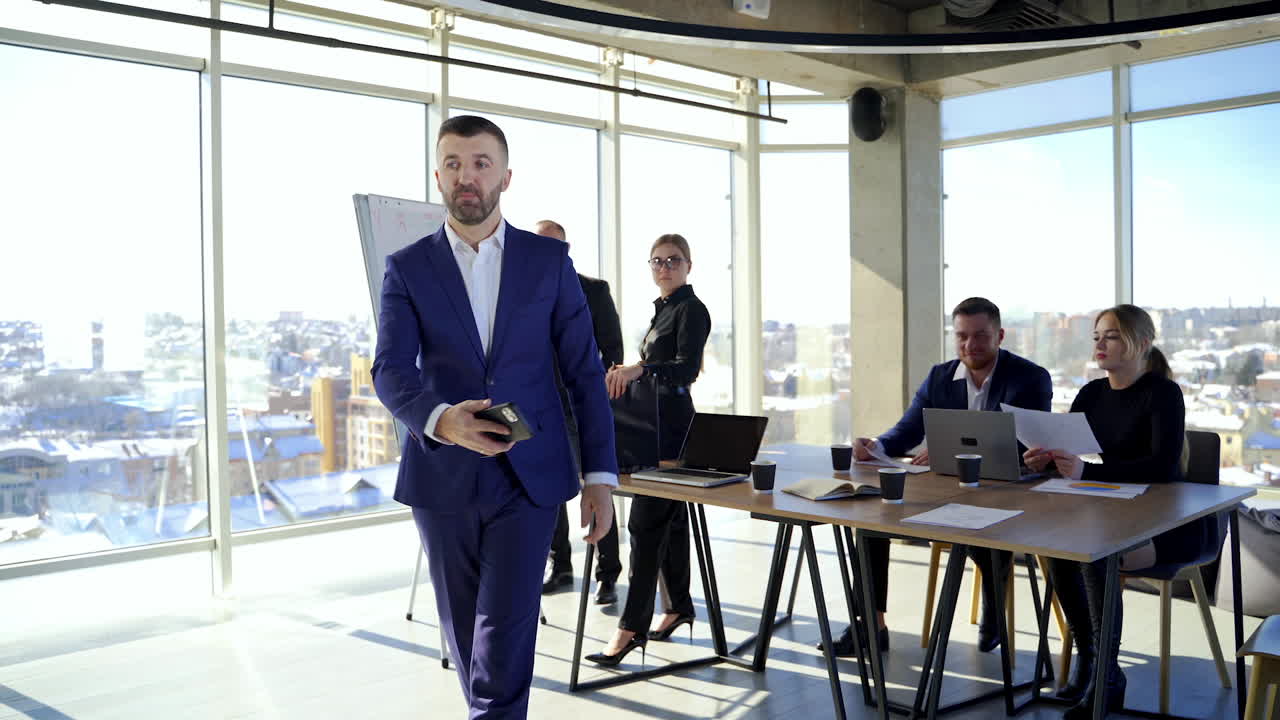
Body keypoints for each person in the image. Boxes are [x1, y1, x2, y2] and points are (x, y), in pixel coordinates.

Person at [372, 115, 617, 719]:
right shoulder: (407, 267)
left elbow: (585, 372)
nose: (467, 176)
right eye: (453, 163)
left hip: (528, 478)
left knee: (505, 632)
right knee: (464, 635)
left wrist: (600, 478)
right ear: (438, 176)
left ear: (506, 176)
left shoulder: (548, 262)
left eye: (480, 162)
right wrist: (439, 419)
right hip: (442, 476)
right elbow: (390, 368)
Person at [831, 297, 1052, 658]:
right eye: (962, 336)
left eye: (981, 336)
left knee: (982, 526)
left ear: (1000, 335)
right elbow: (906, 431)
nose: (970, 346)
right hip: (947, 486)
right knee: (871, 521)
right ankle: (869, 625)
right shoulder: (940, 376)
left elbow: (1024, 443)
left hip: (1007, 489)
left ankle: (994, 606)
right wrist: (876, 444)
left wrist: (954, 452)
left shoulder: (1029, 377)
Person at [1025, 304, 1212, 720]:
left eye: (1110, 336)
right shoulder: (1091, 393)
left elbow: (1163, 467)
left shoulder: (1162, 393)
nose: (1099, 344)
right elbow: (1071, 449)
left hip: (1167, 524)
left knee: (1098, 551)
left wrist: (1088, 471)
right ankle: (1091, 660)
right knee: (1059, 547)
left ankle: (1107, 676)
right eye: (1096, 337)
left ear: (1142, 343)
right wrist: (1045, 459)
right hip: (1108, 510)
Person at [585, 233, 711, 667]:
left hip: (675, 432)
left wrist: (641, 367)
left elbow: (687, 370)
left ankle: (631, 628)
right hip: (657, 430)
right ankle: (678, 606)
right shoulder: (665, 310)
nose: (664, 267)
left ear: (689, 265)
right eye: (657, 261)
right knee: (669, 523)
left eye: (673, 260)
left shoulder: (692, 309)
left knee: (645, 524)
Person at [533, 219, 626, 605]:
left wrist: (589, 389)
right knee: (551, 490)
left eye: (554, 247)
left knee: (596, 485)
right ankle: (562, 566)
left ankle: (608, 573)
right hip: (540, 406)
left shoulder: (593, 290)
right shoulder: (523, 291)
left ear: (566, 250)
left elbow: (613, 350)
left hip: (580, 406)